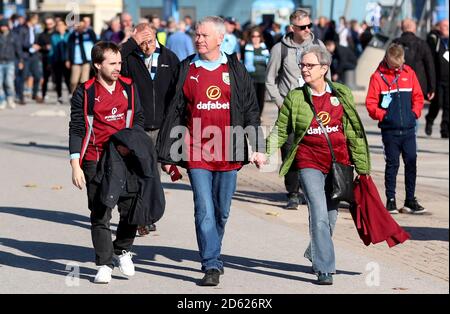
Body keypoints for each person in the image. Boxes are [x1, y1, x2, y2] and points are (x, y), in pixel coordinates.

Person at [156, 16, 264, 287]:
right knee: (203, 208)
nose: (199, 39)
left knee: (221, 211)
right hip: (196, 151)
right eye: (197, 35)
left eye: (204, 35)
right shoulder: (186, 69)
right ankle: (211, 263)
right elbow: (174, 114)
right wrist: (169, 156)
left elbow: (251, 110)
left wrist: (258, 147)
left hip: (229, 150)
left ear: (220, 38)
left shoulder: (236, 69)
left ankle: (212, 248)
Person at [265, 44, 371, 285]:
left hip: (338, 164)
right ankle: (325, 268)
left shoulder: (341, 94)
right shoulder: (295, 97)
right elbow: (281, 130)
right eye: (302, 65)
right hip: (308, 161)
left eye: (309, 65)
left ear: (324, 68)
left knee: (331, 218)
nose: (304, 69)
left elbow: (353, 133)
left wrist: (362, 167)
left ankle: (316, 251)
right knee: (319, 213)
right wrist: (265, 153)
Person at [69, 41, 145, 284]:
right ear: (97, 64)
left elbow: (139, 118)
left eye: (119, 62)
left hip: (125, 159)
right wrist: (75, 165)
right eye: (112, 63)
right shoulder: (86, 91)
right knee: (100, 212)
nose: (118, 68)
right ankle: (104, 264)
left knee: (130, 208)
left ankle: (122, 250)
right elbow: (77, 128)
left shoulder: (129, 87)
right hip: (95, 158)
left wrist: (133, 142)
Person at [266, 9, 329, 210]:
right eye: (303, 27)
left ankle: (312, 191)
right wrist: (280, 102)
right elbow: (270, 80)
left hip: (315, 108)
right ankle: (293, 193)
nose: (308, 29)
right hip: (290, 108)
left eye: (310, 25)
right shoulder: (279, 49)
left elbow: (327, 74)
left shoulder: (318, 46)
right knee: (290, 150)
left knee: (315, 149)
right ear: (292, 28)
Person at [121, 23, 179, 235]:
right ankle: (138, 217)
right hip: (137, 127)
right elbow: (113, 61)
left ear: (156, 37)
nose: (147, 46)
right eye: (142, 42)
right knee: (137, 172)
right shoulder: (129, 58)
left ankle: (148, 216)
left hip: (161, 126)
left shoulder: (169, 58)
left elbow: (177, 94)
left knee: (153, 175)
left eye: (150, 41)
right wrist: (131, 43)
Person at [365, 43, 426, 215]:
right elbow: (370, 104)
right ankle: (390, 200)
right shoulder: (377, 77)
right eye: (394, 65)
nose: (398, 68)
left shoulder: (409, 73)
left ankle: (410, 200)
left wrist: (414, 114)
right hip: (390, 131)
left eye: (400, 64)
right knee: (392, 164)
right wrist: (383, 116)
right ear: (387, 59)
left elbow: (418, 97)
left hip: (408, 129)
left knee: (411, 162)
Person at [393, 19, 436, 117]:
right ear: (415, 28)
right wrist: (431, 88)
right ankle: (411, 130)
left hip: (397, 83)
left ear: (402, 28)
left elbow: (386, 64)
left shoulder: (395, 44)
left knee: (399, 109)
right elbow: (430, 66)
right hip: (418, 83)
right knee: (415, 110)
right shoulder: (422, 44)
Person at [425, 19, 449, 138]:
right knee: (437, 103)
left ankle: (445, 129)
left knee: (448, 105)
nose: (447, 28)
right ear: (439, 27)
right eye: (444, 26)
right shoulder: (435, 39)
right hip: (438, 77)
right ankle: (429, 120)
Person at [243, 27, 270, 117]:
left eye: (258, 36)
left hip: (262, 78)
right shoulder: (247, 48)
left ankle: (259, 116)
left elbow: (268, 63)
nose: (256, 38)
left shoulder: (264, 49)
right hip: (250, 78)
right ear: (250, 37)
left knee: (261, 99)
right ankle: (252, 116)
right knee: (251, 99)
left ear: (260, 37)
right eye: (253, 36)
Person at [67, 20, 97, 93]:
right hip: (75, 61)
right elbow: (68, 48)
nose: (81, 27)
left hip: (86, 61)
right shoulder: (72, 35)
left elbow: (95, 42)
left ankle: (82, 96)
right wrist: (67, 59)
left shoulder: (88, 33)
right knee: (73, 81)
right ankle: (73, 94)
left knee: (84, 81)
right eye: (79, 26)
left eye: (82, 26)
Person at [0, 18, 22, 110]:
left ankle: (10, 99)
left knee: (9, 82)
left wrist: (21, 61)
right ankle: (2, 100)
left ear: (8, 26)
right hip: (0, 62)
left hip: (10, 62)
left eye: (5, 26)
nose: (3, 28)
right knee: (0, 83)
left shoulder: (14, 36)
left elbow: (18, 49)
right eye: (2, 26)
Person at [49, 20, 71, 104]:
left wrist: (69, 60)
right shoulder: (54, 37)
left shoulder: (69, 36)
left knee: (67, 79)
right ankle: (59, 97)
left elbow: (70, 49)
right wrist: (50, 62)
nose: (60, 27)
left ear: (65, 26)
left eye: (62, 25)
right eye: (58, 26)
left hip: (67, 61)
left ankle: (70, 95)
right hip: (56, 61)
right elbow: (52, 50)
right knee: (58, 80)